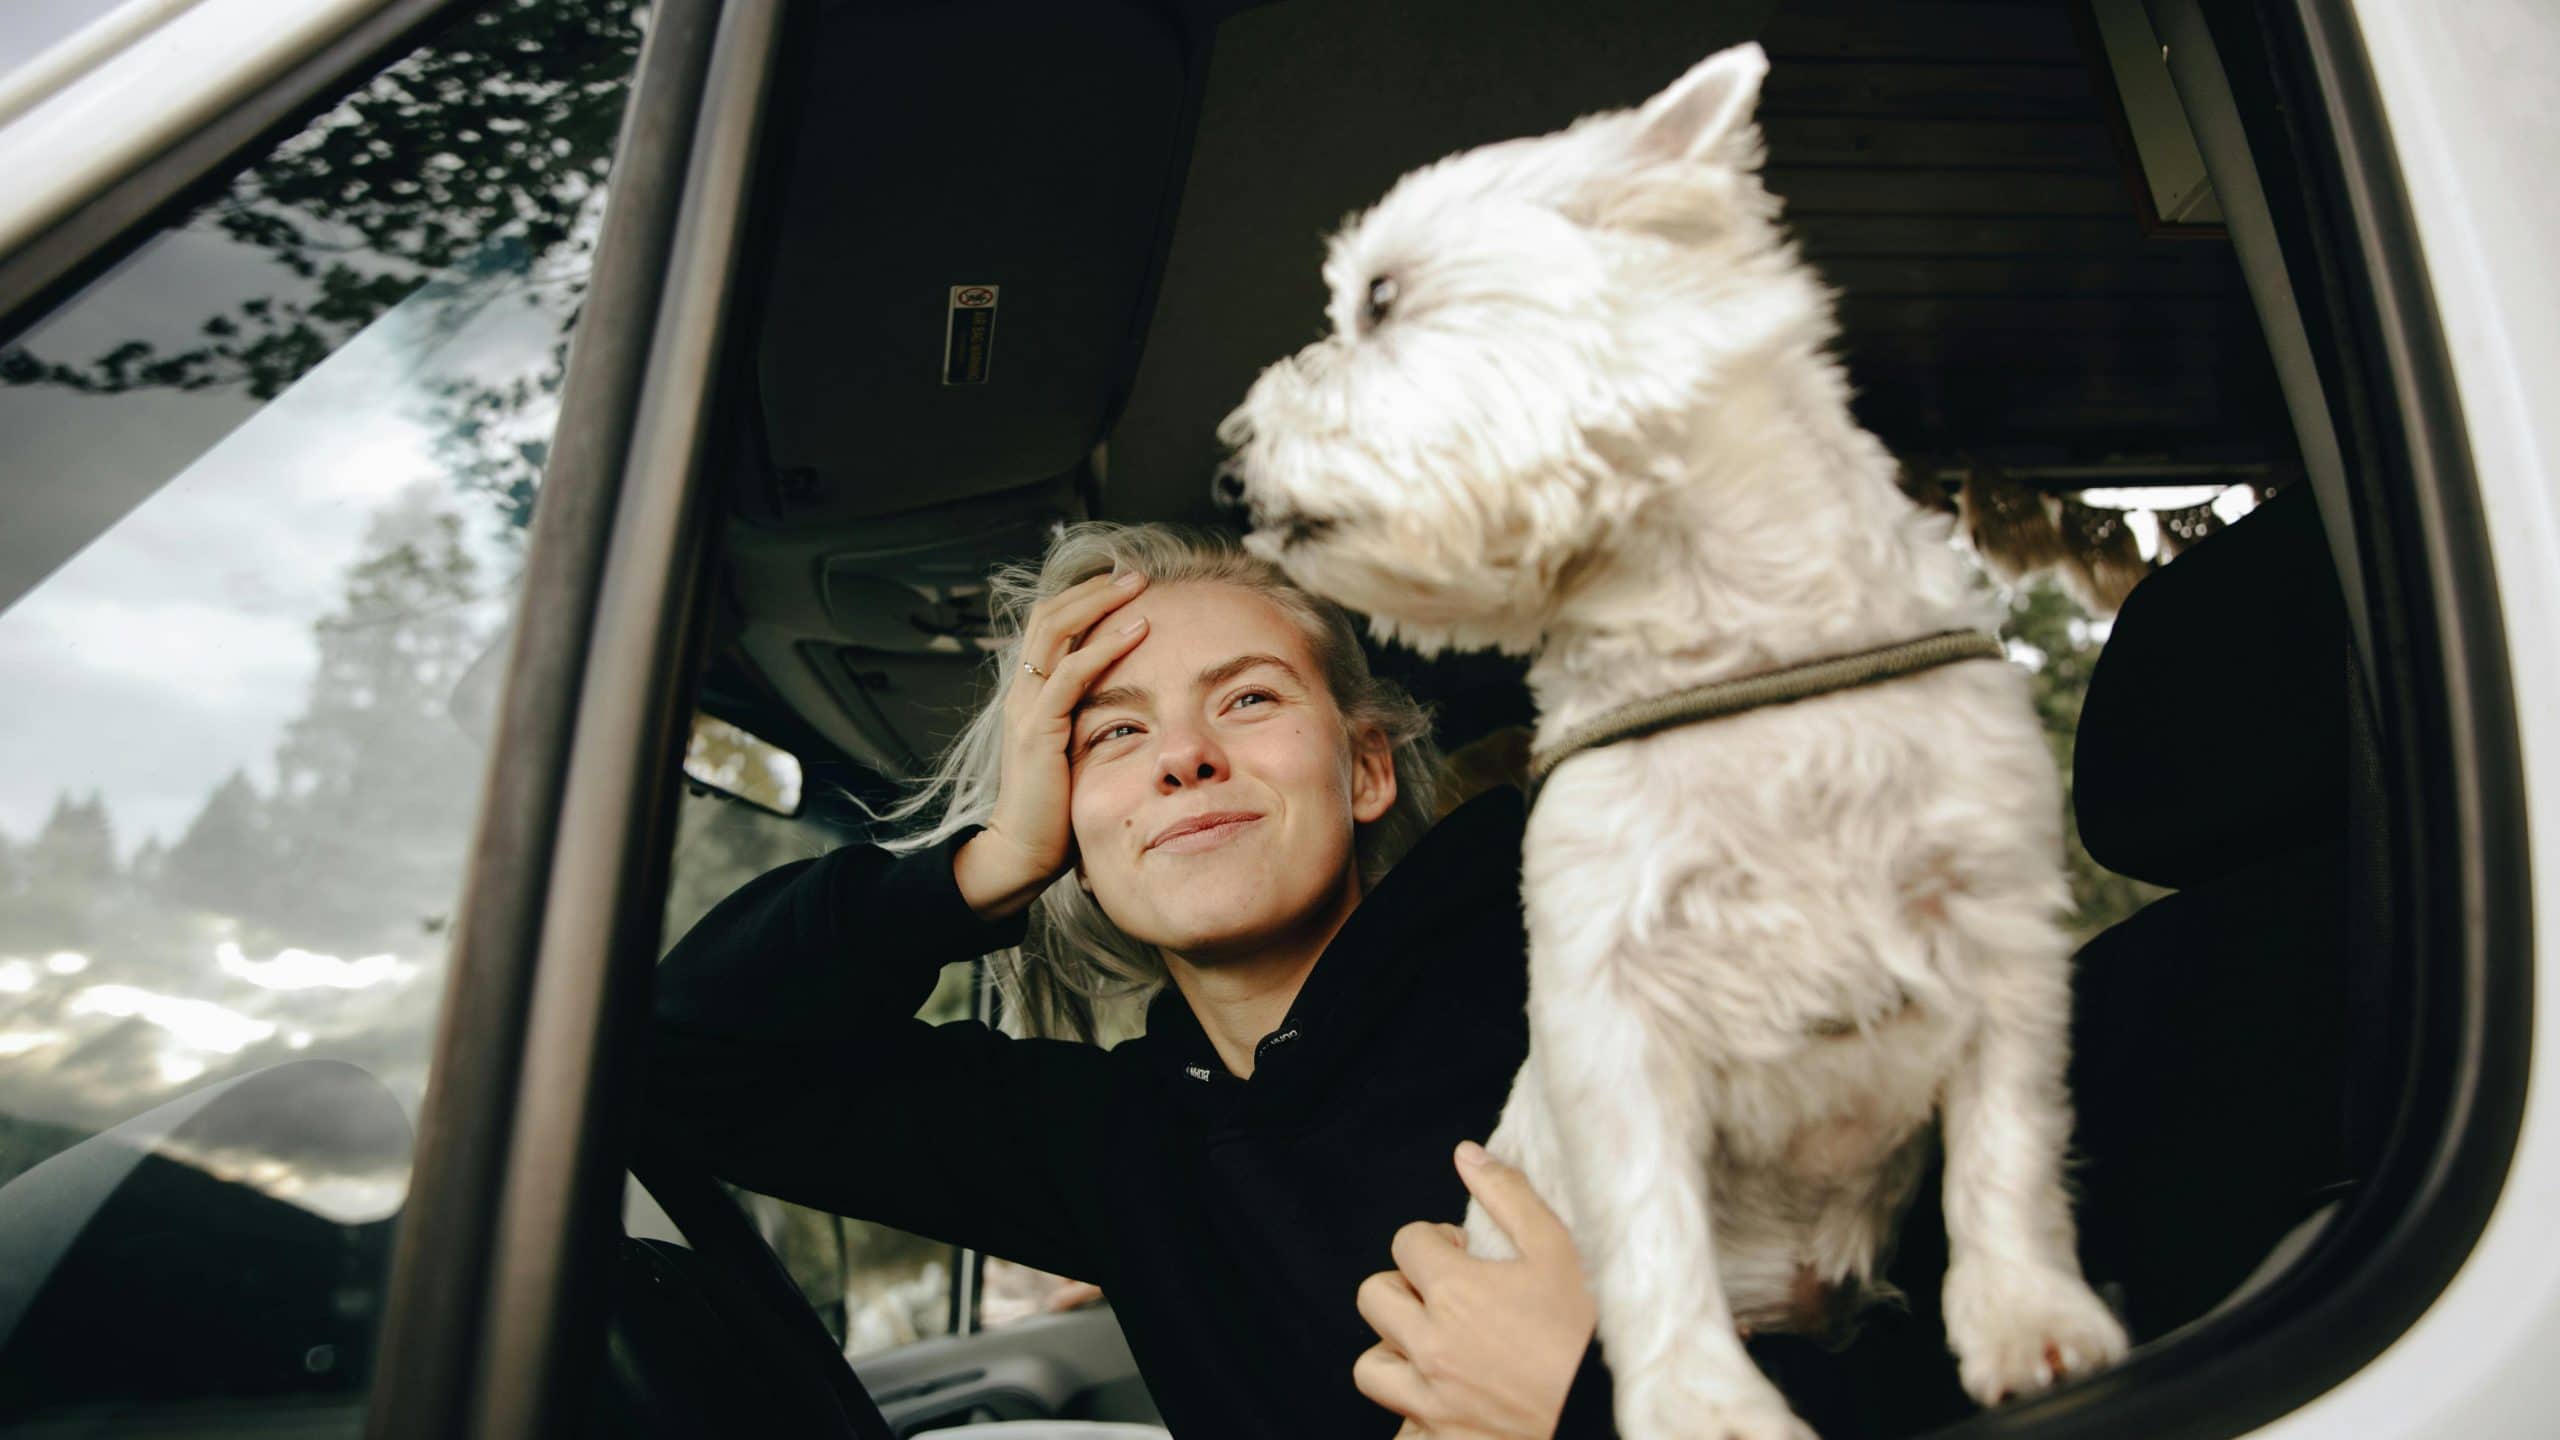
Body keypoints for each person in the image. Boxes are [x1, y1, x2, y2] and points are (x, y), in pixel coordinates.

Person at [646, 522, 1615, 1439]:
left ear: (1363, 770)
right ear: (1071, 829)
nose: (1185, 756)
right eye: (1114, 733)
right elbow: (677, 1067)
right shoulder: (1111, 1148)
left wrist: (1580, 1403)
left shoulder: (1603, 988)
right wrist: (985, 865)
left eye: (1248, 699)